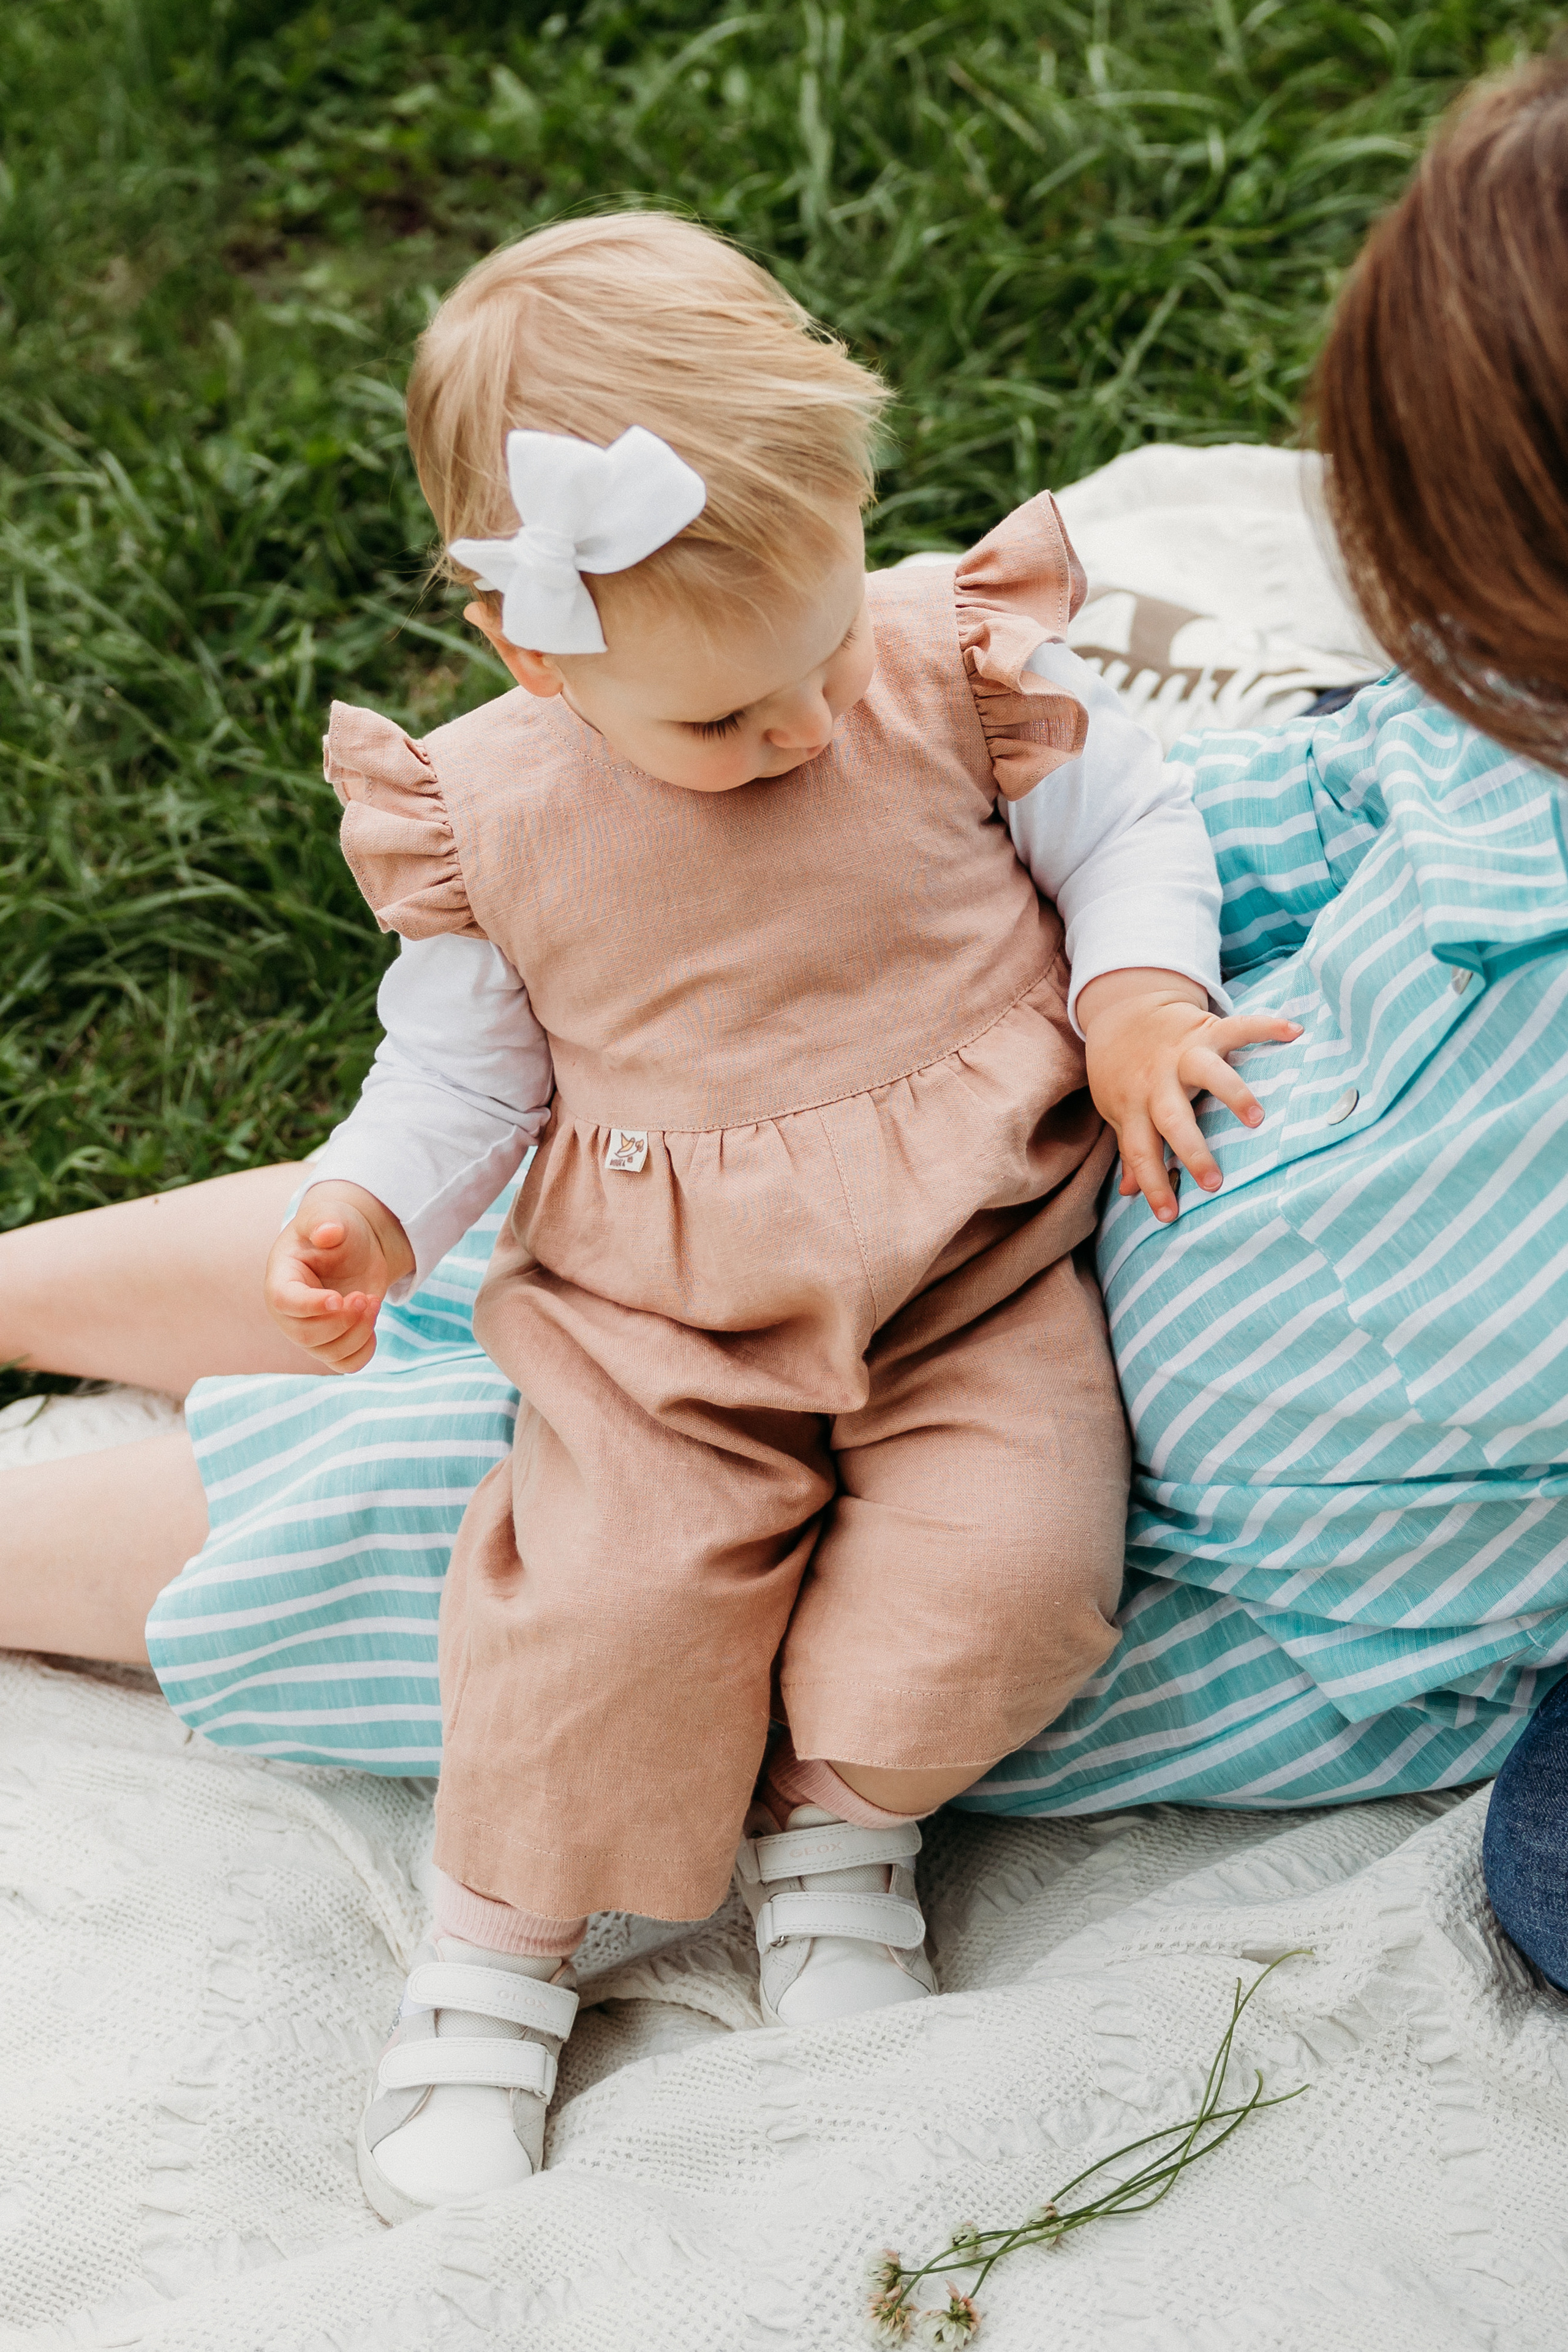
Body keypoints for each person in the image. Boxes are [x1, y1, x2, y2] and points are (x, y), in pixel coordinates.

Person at [6, 45, 1568, 2211]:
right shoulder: (492, 811)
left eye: (832, 640)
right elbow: (458, 1073)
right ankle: (494, 1959)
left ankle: (843, 1839)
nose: (814, 722)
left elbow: (1120, 822)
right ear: (533, 657)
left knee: (1009, 1574)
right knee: (595, 1598)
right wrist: (373, 1205)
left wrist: (1129, 991)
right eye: (733, 713)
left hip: (981, 1266)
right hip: (664, 1305)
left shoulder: (937, 656)